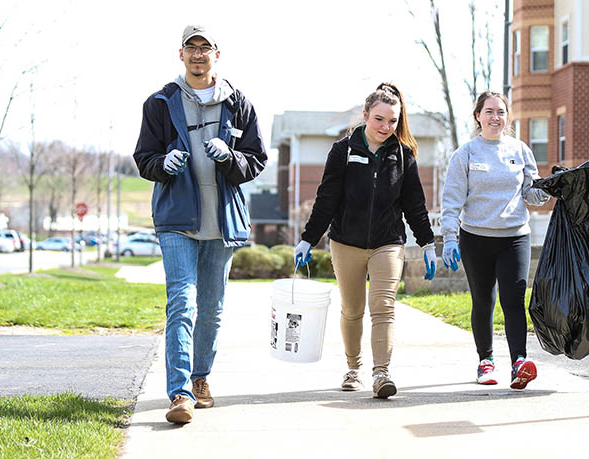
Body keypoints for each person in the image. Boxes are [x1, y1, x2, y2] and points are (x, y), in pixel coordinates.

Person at [133, 25, 267, 423]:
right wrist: (164, 165)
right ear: (181, 55)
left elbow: (255, 160)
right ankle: (179, 393)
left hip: (222, 221)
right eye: (190, 48)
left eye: (204, 48)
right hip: (177, 219)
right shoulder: (160, 102)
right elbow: (144, 158)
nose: (197, 54)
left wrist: (229, 157)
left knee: (211, 309)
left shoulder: (238, 102)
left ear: (216, 55)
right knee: (183, 302)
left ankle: (200, 378)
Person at [294, 83, 436, 399]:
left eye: (393, 121)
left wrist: (427, 243)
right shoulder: (343, 150)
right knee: (352, 309)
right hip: (346, 242)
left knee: (383, 306)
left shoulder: (403, 156)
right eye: (379, 119)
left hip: (388, 242)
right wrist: (308, 239)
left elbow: (415, 205)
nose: (386, 127)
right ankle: (353, 367)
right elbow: (326, 199)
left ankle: (381, 373)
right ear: (365, 115)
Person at [440, 90, 550, 390]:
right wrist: (450, 238)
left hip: (514, 237)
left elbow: (531, 193)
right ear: (478, 116)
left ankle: (519, 364)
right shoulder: (466, 154)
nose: (495, 117)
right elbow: (451, 201)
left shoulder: (520, 150)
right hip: (475, 238)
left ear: (507, 117)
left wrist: (551, 187)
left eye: (501, 112)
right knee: (483, 301)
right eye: (489, 111)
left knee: (513, 300)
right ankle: (485, 362)